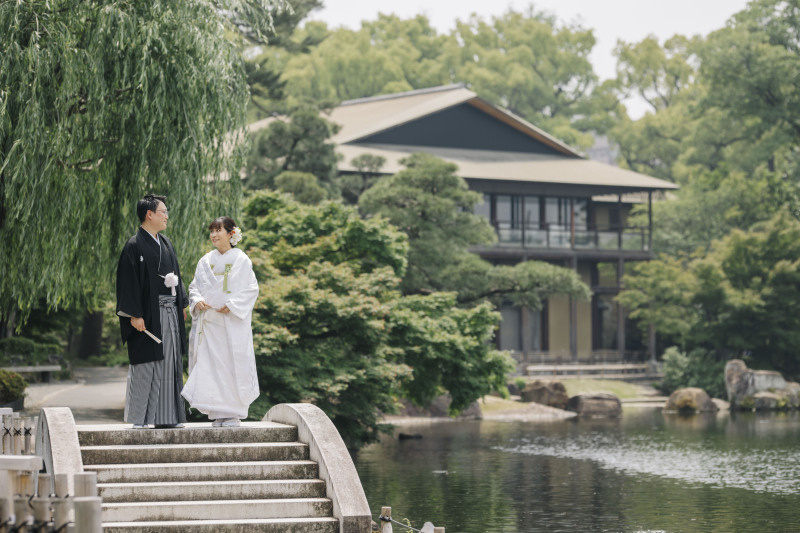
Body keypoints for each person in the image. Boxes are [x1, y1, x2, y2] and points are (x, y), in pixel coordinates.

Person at [116, 194, 189, 429]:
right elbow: (128, 283)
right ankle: (140, 419)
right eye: (163, 212)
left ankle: (168, 417)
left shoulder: (165, 243)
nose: (166, 216)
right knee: (146, 366)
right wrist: (134, 315)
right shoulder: (134, 245)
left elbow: (176, 275)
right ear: (150, 214)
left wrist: (182, 304)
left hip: (170, 312)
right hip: (147, 316)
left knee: (170, 364)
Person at [181, 216, 260, 427]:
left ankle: (233, 413)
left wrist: (233, 304)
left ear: (231, 233)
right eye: (212, 231)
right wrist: (197, 300)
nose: (214, 235)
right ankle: (217, 412)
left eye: (219, 230)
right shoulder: (205, 261)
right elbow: (194, 287)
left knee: (231, 364)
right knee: (211, 366)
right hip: (210, 323)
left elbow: (251, 289)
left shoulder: (241, 260)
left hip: (231, 323)